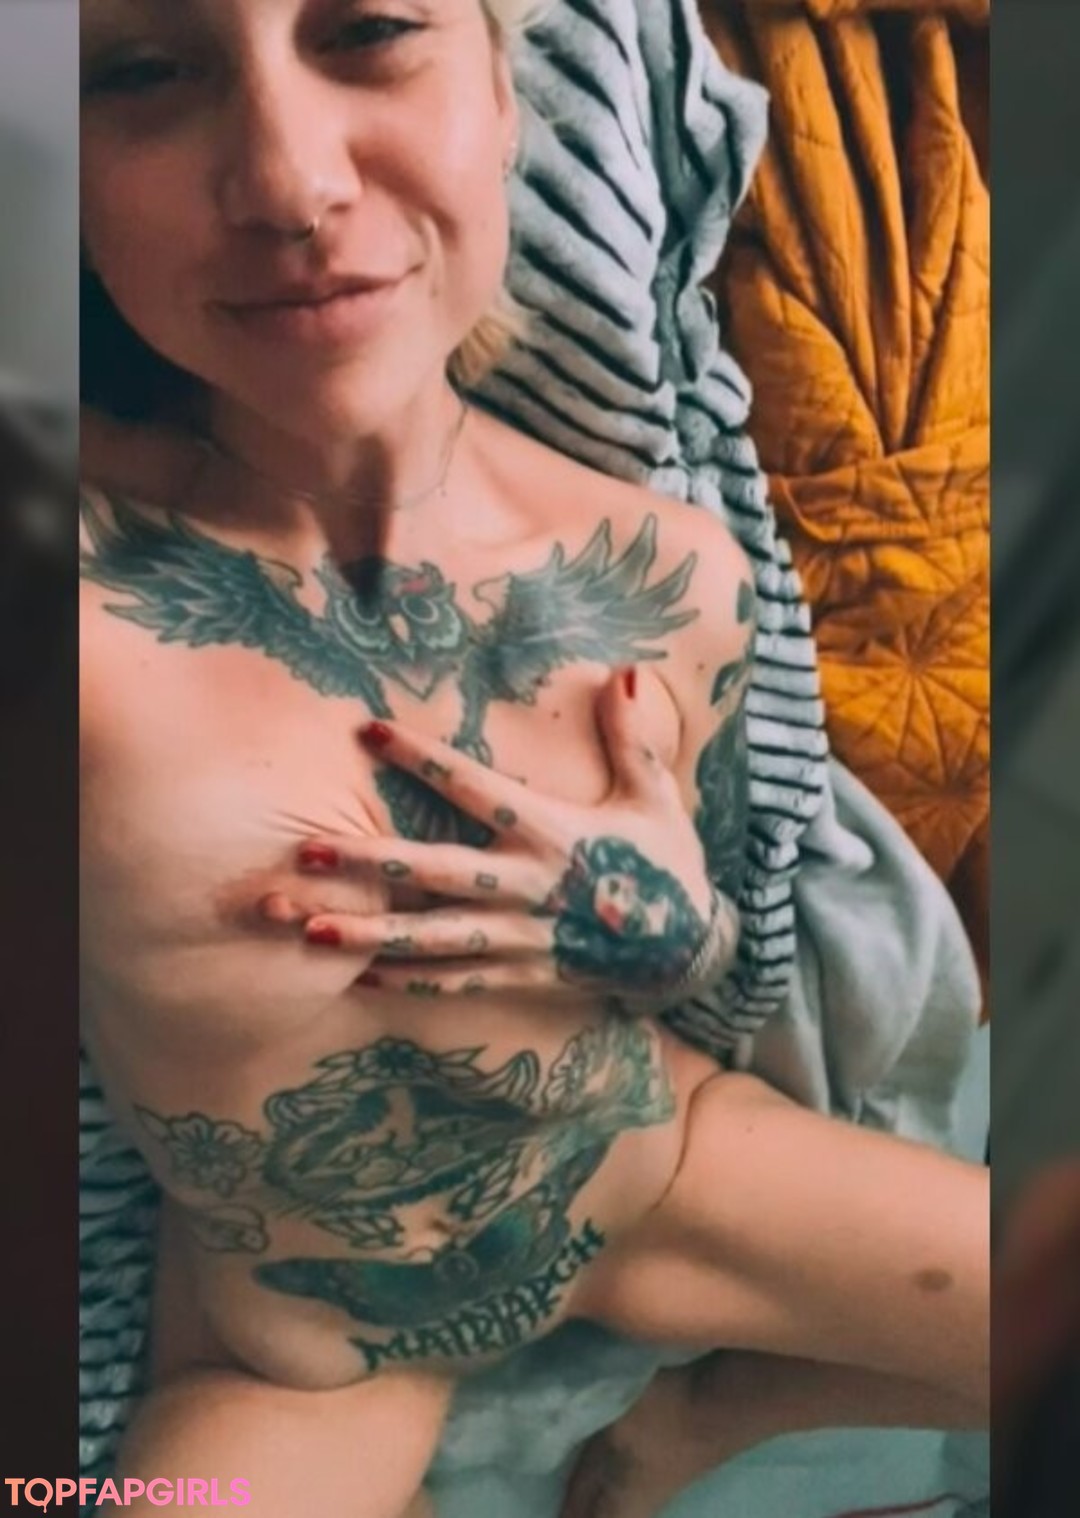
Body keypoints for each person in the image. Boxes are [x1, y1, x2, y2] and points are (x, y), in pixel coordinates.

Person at [79, 2, 988, 1515]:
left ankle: (705, 1418)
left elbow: (715, 955)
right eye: (145, 71)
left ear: (507, 98)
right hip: (304, 1356)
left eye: (370, 29)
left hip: (663, 1176)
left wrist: (671, 929)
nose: (292, 181)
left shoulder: (675, 572)